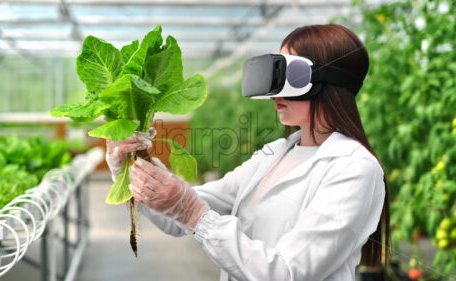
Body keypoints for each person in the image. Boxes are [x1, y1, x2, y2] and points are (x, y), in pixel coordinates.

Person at [106, 24, 390, 281]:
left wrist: (194, 213)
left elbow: (286, 273)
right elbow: (179, 216)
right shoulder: (277, 152)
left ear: (326, 83)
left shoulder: (354, 168)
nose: (274, 95)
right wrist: (129, 166)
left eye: (289, 75)